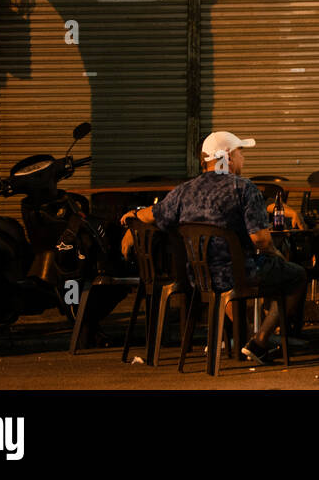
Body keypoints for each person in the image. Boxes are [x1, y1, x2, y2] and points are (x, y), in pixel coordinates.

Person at [122, 131, 306, 365]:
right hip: (239, 275)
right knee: (296, 275)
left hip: (199, 277)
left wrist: (133, 215)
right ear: (227, 157)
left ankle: (245, 340)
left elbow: (152, 215)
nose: (243, 159)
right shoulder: (244, 188)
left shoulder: (184, 191)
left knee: (236, 281)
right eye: (240, 153)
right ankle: (259, 341)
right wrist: (277, 254)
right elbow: (261, 240)